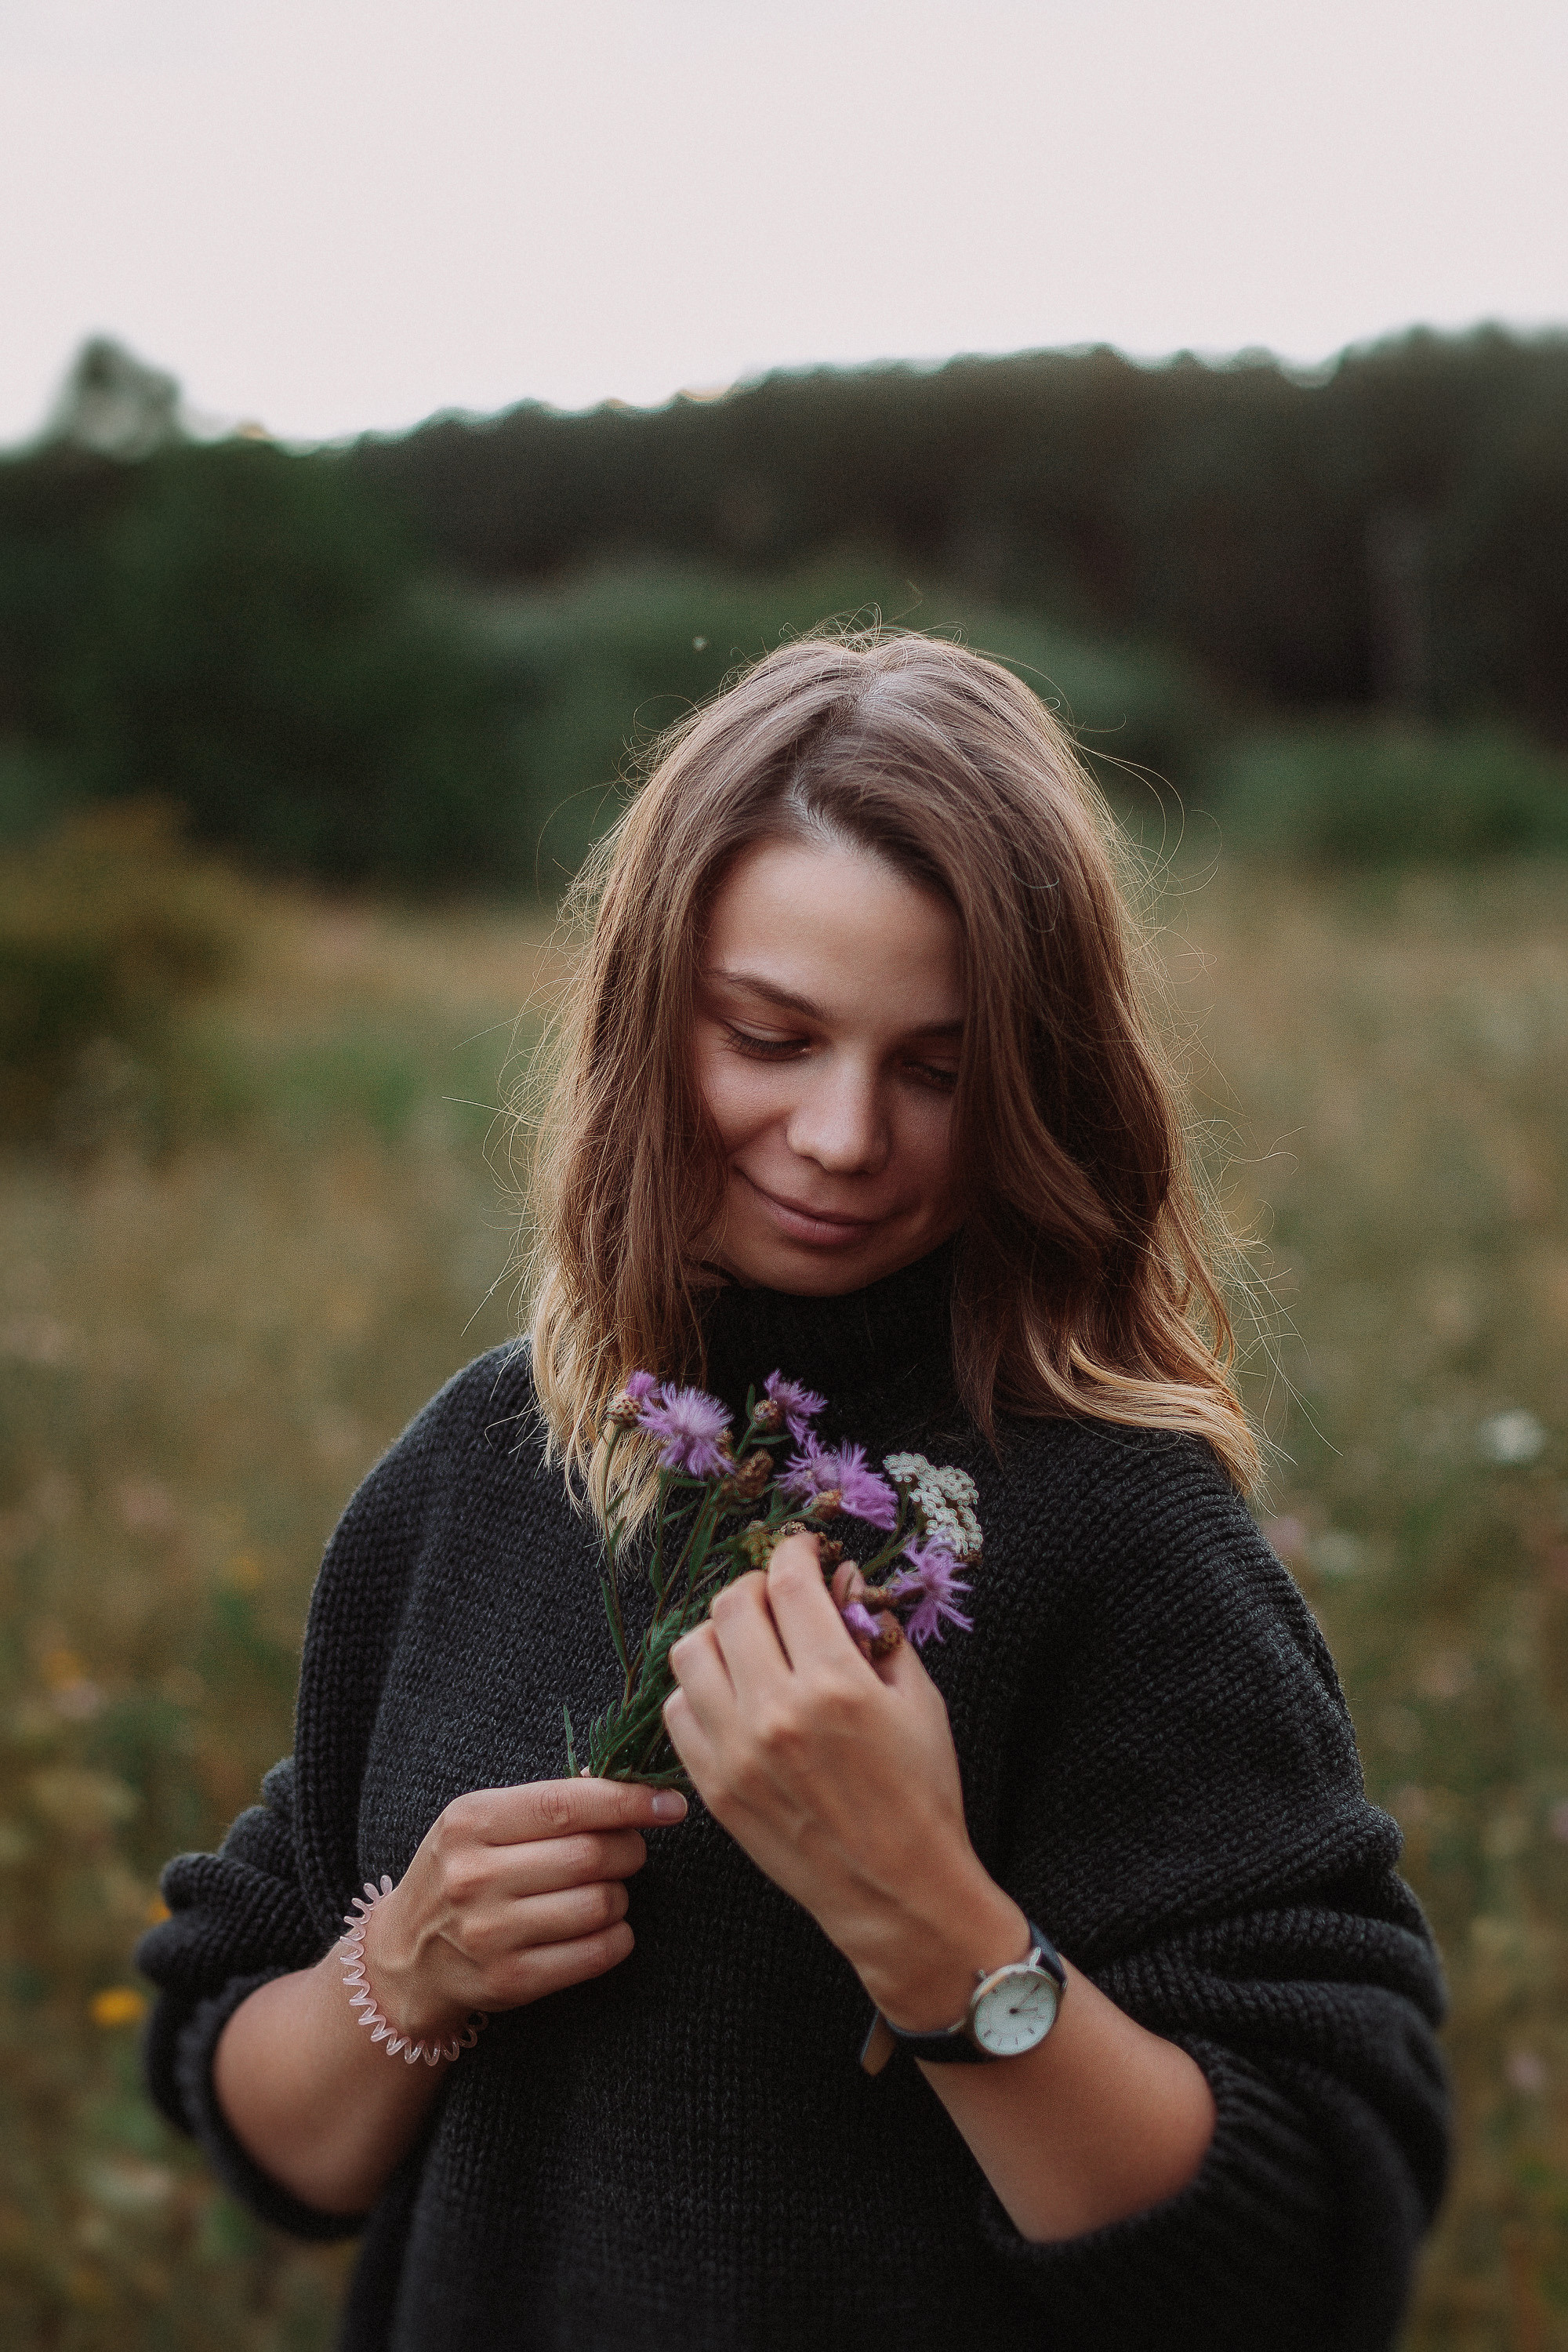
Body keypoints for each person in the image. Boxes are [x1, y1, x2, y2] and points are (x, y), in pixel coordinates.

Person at [139, 631, 1448, 2352]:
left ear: (1037, 1084)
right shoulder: (492, 1460)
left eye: (938, 1068)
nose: (842, 1135)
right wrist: (406, 1974)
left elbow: (1313, 2247)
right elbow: (281, 2138)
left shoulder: (1124, 1537)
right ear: (645, 1020)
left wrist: (925, 1916)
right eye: (770, 1036)